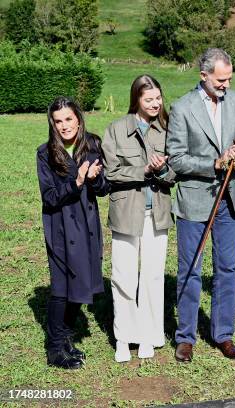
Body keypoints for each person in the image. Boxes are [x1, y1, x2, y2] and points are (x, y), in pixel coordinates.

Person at [167, 48, 235, 362]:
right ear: (203, 75)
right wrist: (215, 163)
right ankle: (186, 337)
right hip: (194, 199)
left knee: (227, 269)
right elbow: (176, 158)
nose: (226, 85)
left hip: (229, 199)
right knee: (190, 271)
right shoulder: (182, 108)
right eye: (220, 80)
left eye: (229, 79)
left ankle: (223, 335)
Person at [102, 75, 175, 362]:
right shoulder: (117, 129)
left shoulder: (167, 131)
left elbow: (174, 173)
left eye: (158, 98)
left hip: (157, 213)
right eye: (149, 99)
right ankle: (123, 337)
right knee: (123, 276)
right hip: (126, 214)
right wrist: (143, 170)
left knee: (153, 276)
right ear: (136, 100)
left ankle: (148, 335)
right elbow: (110, 172)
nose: (156, 104)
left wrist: (160, 171)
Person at [36, 97, 109, 369]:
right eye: (58, 121)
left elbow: (104, 188)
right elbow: (50, 197)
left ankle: (66, 337)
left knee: (83, 279)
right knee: (61, 286)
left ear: (78, 118)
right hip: (60, 225)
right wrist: (78, 181)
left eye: (69, 119)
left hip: (87, 223)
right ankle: (55, 349)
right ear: (52, 124)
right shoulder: (45, 154)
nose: (64, 126)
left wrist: (95, 179)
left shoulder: (93, 144)